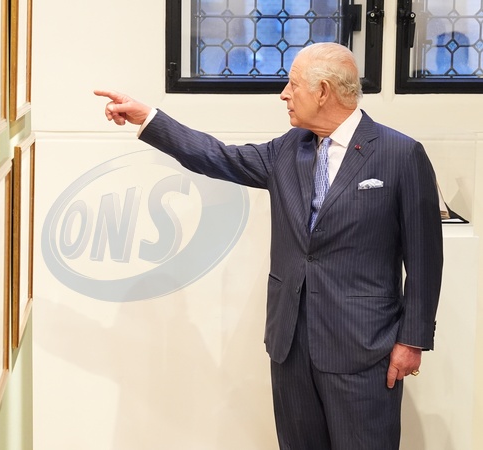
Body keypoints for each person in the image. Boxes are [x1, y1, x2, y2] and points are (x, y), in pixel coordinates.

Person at [94, 42, 443, 450]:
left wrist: (412, 341)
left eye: (293, 84)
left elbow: (425, 258)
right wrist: (148, 118)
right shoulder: (289, 149)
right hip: (290, 347)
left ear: (323, 92)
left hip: (363, 349)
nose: (283, 94)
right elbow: (216, 156)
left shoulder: (401, 154)